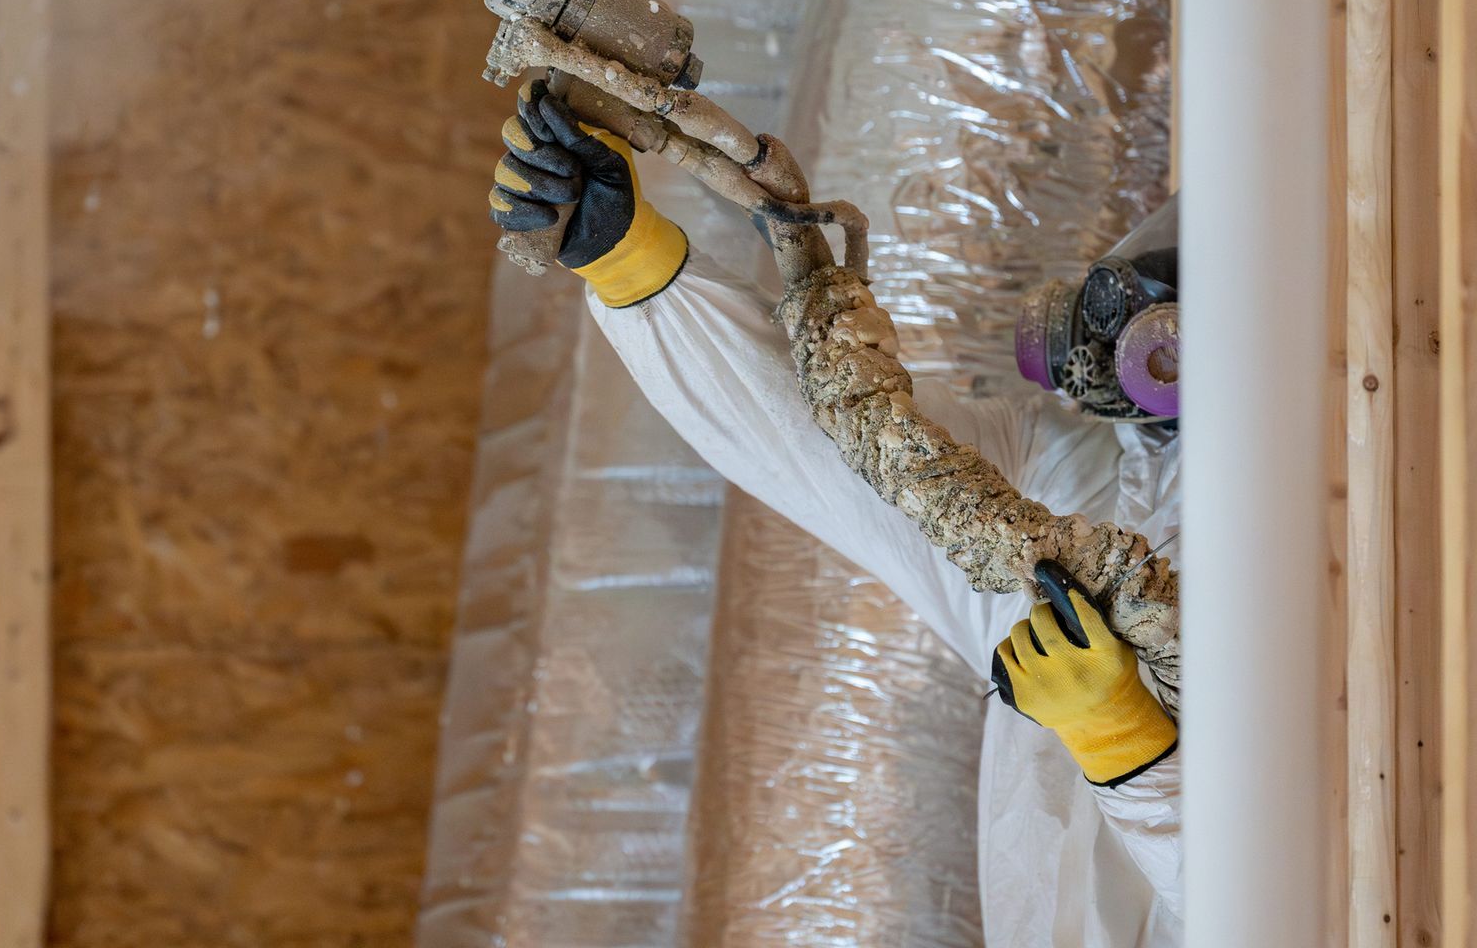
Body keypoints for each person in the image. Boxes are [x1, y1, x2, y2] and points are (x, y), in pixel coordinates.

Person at [488, 81, 1181, 946]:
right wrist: (629, 254)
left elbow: (834, 459)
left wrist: (1123, 743)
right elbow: (852, 450)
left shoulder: (1081, 544)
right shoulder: (1101, 481)